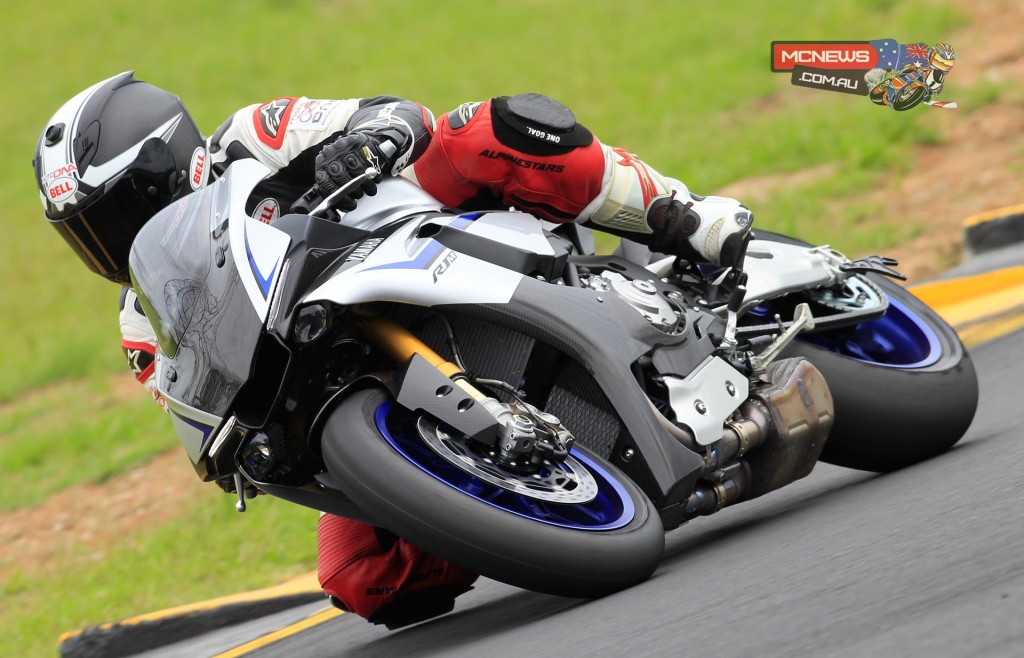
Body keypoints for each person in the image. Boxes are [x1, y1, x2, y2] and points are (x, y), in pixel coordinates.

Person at [32, 71, 476, 629]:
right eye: (86, 235)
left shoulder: (251, 138)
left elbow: (398, 112)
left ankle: (620, 205)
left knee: (478, 133)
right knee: (358, 573)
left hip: (426, 253)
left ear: (173, 164)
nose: (110, 246)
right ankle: (524, 516)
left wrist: (363, 144)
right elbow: (200, 414)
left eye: (117, 216)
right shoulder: (142, 322)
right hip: (355, 375)